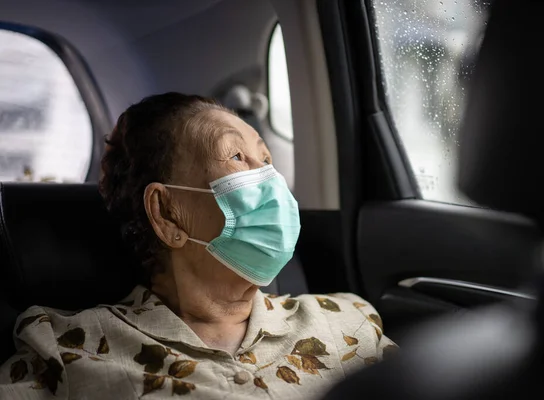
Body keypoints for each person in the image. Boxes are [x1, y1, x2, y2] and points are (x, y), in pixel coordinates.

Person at [0, 93, 397, 399]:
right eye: (238, 157)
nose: (272, 181)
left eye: (267, 159)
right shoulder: (66, 350)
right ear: (168, 214)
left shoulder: (350, 323)